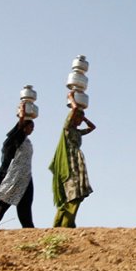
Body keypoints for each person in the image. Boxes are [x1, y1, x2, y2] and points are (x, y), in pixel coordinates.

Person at [50, 91, 95, 227]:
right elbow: (74, 108)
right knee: (73, 193)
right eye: (78, 118)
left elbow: (92, 127)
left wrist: (84, 117)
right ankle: (65, 225)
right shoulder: (67, 128)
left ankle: (64, 224)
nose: (80, 120)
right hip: (69, 163)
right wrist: (71, 99)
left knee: (77, 192)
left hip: (77, 163)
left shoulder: (76, 131)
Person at [0, 102, 36, 229]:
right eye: (31, 126)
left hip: (26, 176)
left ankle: (28, 227)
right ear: (24, 127)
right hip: (15, 176)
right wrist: (21, 116)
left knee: (25, 203)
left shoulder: (27, 140)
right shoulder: (17, 138)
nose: (32, 129)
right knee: (6, 198)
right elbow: (19, 129)